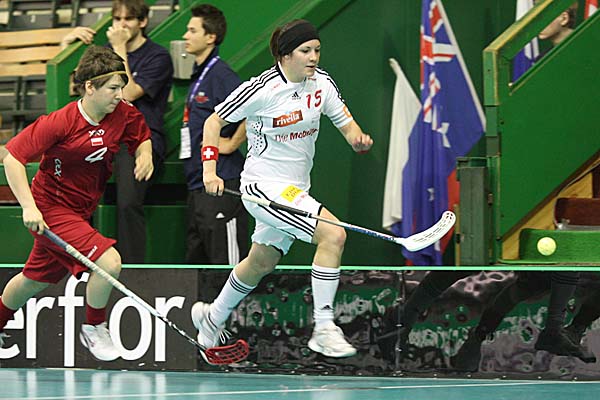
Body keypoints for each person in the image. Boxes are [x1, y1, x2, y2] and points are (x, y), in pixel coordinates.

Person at [191, 19, 373, 359]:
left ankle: (212, 316)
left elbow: (347, 125)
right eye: (305, 51)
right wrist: (209, 170)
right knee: (333, 235)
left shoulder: (322, 84)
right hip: (263, 186)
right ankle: (324, 328)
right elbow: (213, 122)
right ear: (285, 55)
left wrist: (357, 140)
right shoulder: (261, 89)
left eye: (317, 50)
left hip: (296, 188)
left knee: (261, 260)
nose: (313, 57)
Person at [0, 45, 153, 361]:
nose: (119, 95)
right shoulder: (60, 122)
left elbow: (141, 135)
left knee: (32, 281)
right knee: (109, 262)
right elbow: (13, 158)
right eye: (112, 88)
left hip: (81, 211)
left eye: (121, 88)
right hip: (50, 208)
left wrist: (145, 155)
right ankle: (94, 327)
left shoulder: (121, 113)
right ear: (90, 87)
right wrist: (28, 207)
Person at [62, 0, 174, 264]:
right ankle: (78, 263)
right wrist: (66, 45)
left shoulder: (158, 56)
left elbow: (127, 94)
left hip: (139, 140)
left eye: (128, 19)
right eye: (117, 19)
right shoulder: (104, 54)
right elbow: (75, 86)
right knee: (73, 194)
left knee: (127, 203)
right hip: (101, 136)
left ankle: (133, 271)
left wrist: (120, 48)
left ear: (142, 22)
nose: (121, 25)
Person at [181, 4, 248, 265]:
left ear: (210, 37)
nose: (185, 36)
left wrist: (231, 143)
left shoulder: (221, 75)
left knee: (226, 264)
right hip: (198, 184)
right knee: (198, 265)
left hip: (222, 181)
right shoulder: (199, 74)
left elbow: (252, 111)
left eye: (192, 30)